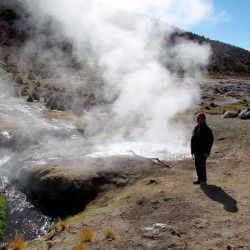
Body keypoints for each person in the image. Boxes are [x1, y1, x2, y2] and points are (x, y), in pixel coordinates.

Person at [191, 112, 214, 187]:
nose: (198, 119)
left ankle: (203, 180)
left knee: (202, 165)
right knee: (197, 165)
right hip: (196, 151)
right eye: (197, 118)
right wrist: (192, 151)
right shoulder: (196, 127)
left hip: (203, 152)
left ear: (204, 119)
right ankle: (199, 179)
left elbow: (210, 141)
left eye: (200, 118)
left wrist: (207, 152)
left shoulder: (207, 129)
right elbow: (193, 139)